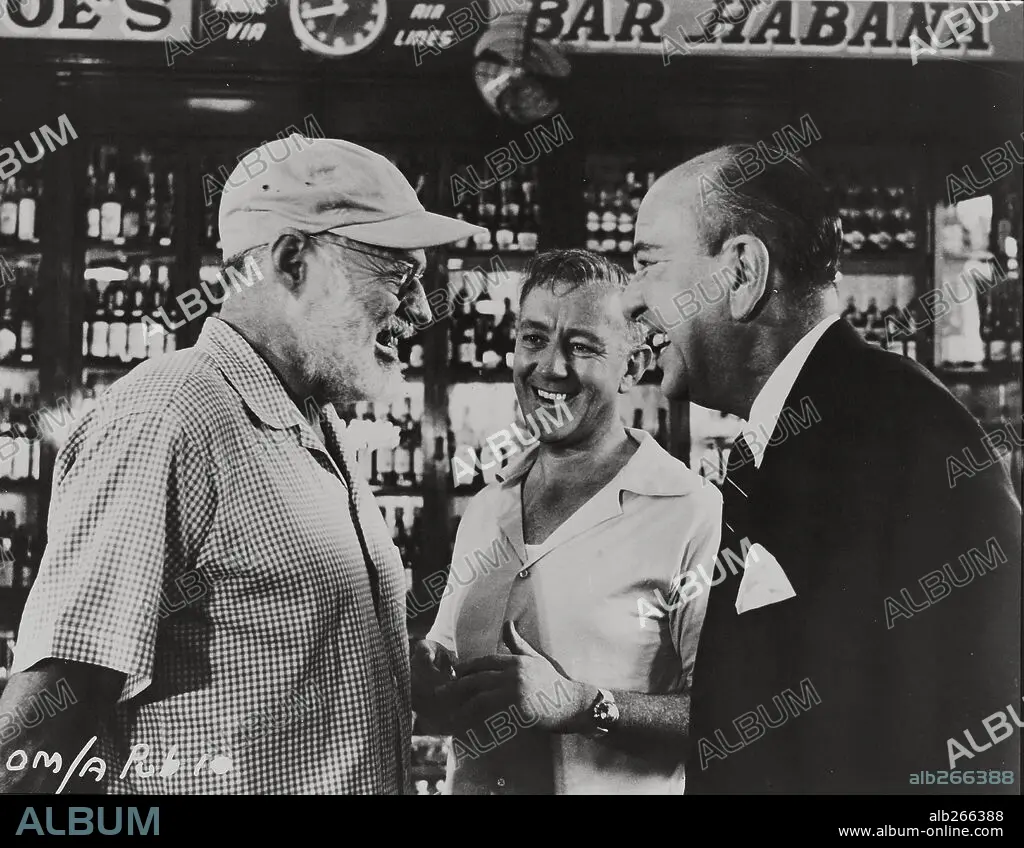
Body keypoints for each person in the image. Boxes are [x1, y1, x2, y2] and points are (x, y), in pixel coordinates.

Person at [0, 135, 482, 794]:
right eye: (400, 274)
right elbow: (43, 721)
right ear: (292, 261)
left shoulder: (312, 417)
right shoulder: (167, 414)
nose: (422, 310)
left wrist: (383, 663)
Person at [622, 145, 1022, 794]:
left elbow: (972, 756)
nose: (628, 301)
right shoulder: (798, 427)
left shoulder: (902, 432)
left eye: (647, 264)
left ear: (742, 272)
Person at [412, 249, 723, 795]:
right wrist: (428, 676)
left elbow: (725, 716)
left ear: (633, 367)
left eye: (582, 347)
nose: (551, 367)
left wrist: (584, 705)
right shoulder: (487, 506)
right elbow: (449, 665)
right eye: (534, 338)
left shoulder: (690, 511)